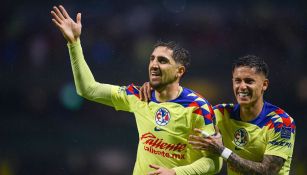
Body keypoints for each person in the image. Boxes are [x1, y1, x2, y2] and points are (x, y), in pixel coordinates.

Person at [50, 5, 222, 175]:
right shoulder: (139, 96)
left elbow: (214, 162)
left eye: (162, 61)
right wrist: (74, 43)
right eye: (152, 59)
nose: (154, 64)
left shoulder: (197, 108)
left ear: (180, 71)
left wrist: (176, 172)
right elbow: (88, 89)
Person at [188, 55, 296, 174]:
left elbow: (268, 171)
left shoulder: (281, 123)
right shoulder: (221, 113)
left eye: (249, 81)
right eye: (237, 81)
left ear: (264, 85)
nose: (242, 86)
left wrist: (222, 151)